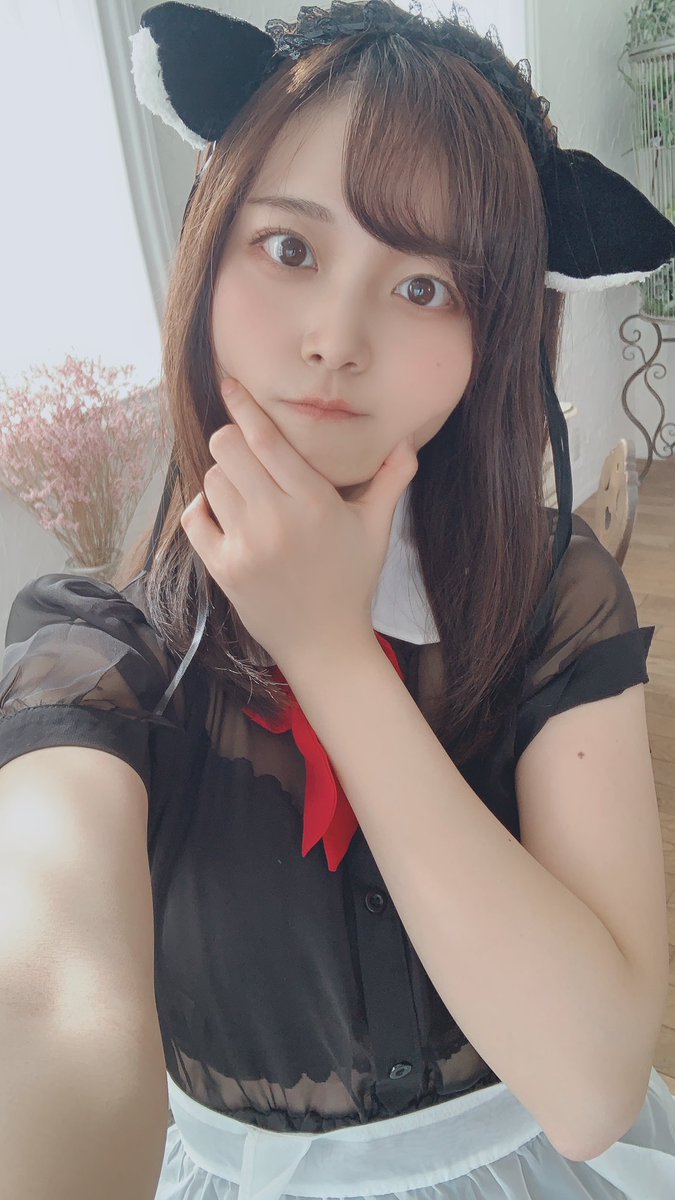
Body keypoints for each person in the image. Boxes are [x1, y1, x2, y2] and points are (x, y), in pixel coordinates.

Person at [1, 2, 675, 1197]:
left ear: (498, 334)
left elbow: (591, 1088)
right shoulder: (99, 651)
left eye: (424, 286)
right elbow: (50, 1010)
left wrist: (329, 650)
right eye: (290, 248)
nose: (334, 339)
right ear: (209, 249)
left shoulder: (551, 591)